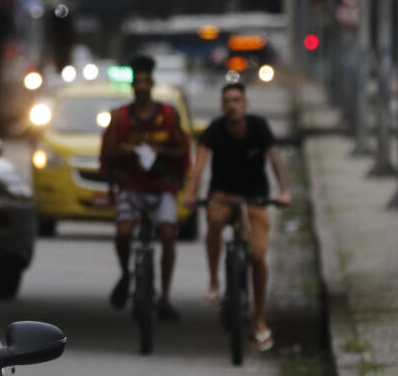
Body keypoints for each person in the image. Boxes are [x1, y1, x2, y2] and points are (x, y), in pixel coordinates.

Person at [180, 82, 291, 351]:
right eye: (228, 101)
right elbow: (199, 165)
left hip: (255, 200)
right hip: (223, 196)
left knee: (258, 255)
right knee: (214, 220)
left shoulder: (259, 127)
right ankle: (215, 282)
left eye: (237, 100)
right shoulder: (215, 130)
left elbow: (276, 159)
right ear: (222, 106)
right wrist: (191, 193)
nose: (233, 105)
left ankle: (260, 318)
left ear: (246, 103)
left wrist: (285, 191)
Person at [99, 55, 191, 321]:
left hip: (162, 188)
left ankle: (164, 296)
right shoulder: (120, 117)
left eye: (145, 82)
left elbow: (183, 151)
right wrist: (126, 151)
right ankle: (126, 273)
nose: (141, 87)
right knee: (124, 232)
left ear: (152, 83)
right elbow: (106, 154)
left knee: (167, 233)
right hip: (131, 186)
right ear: (132, 86)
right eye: (136, 82)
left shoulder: (168, 114)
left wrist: (160, 151)